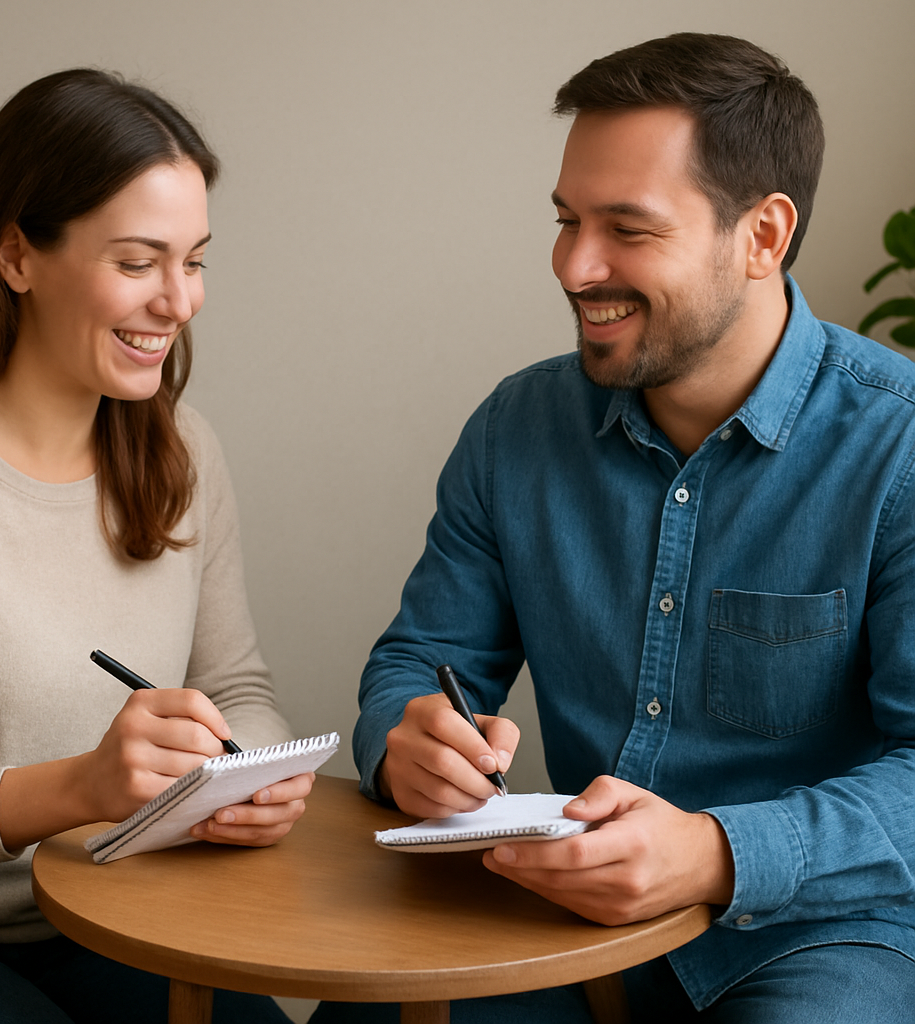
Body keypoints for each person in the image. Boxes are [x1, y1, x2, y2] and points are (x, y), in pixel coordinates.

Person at [350, 32, 915, 1022]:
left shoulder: (897, 445)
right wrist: (405, 740)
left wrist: (714, 851)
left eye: (627, 227)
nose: (574, 264)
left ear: (763, 236)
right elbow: (420, 660)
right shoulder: (511, 430)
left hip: (820, 935)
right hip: (567, 923)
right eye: (567, 220)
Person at [0, 69, 311, 1024]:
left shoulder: (181, 448)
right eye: (137, 262)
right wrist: (81, 786)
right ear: (16, 258)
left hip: (127, 916)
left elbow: (234, 684)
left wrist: (254, 772)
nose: (180, 300)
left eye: (195, 260)